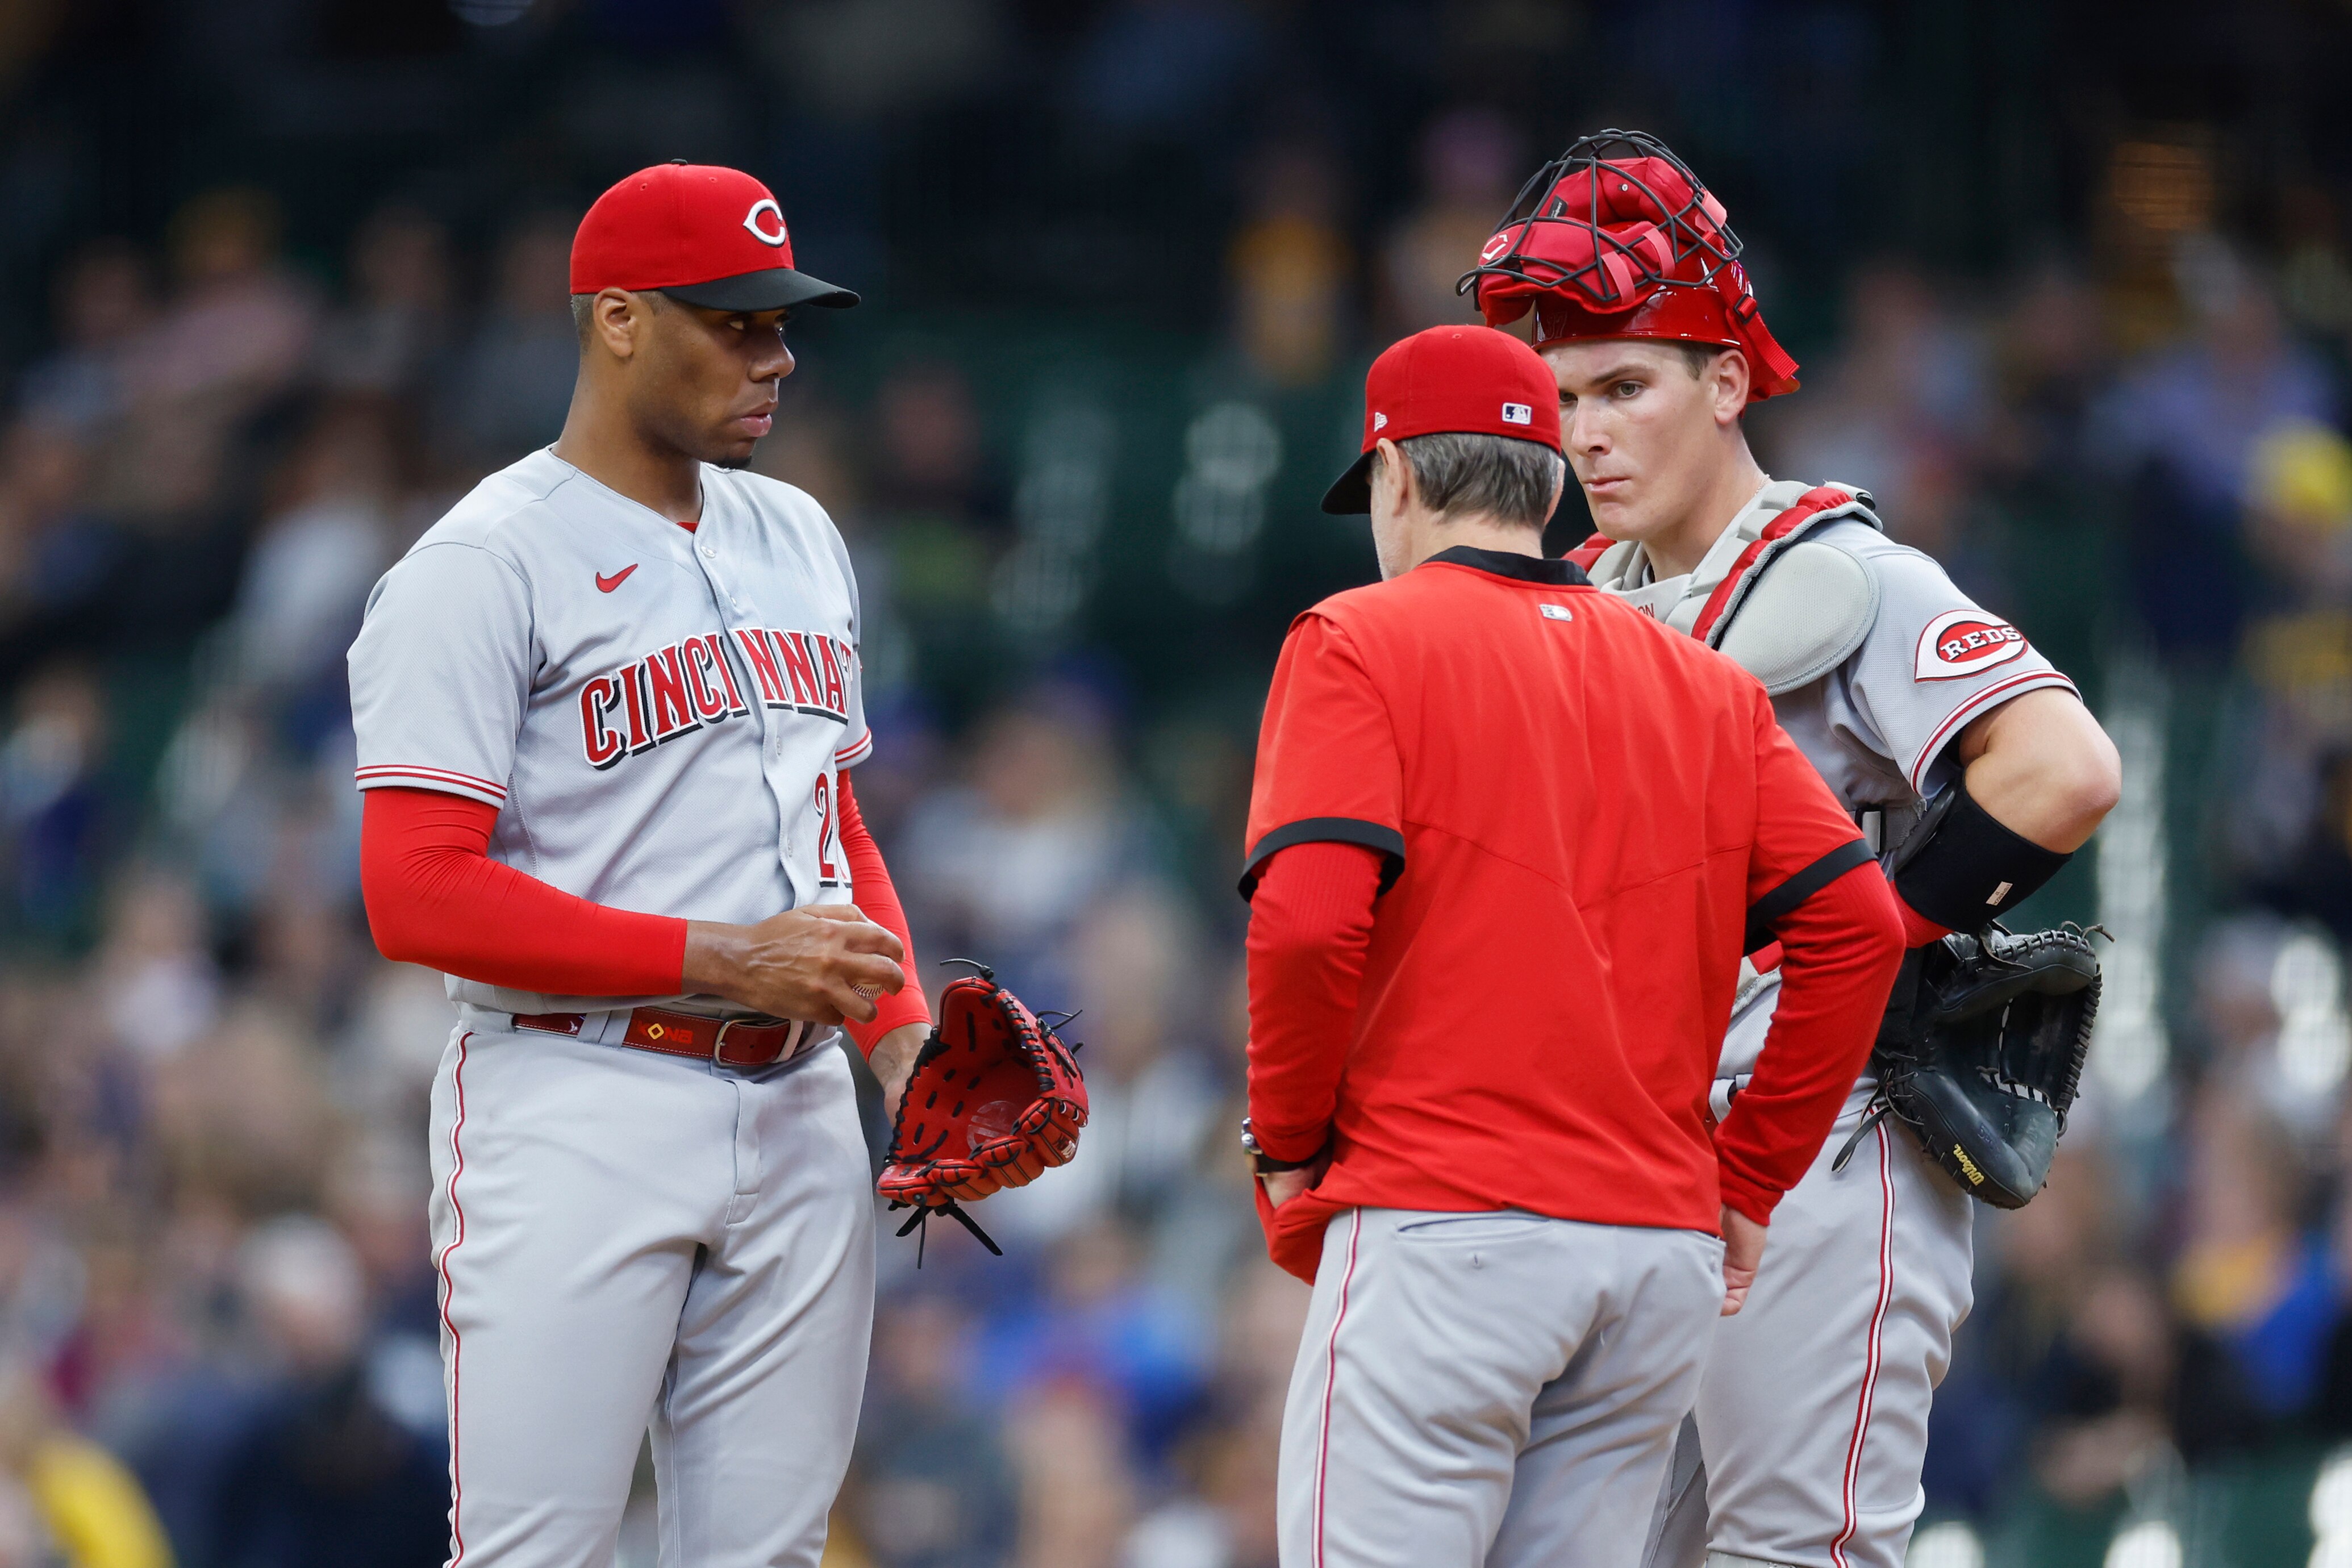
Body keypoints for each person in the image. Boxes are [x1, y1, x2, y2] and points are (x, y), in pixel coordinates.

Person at [1462, 131, 2124, 1568]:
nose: (1588, 433)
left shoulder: (1839, 571)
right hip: (1635, 1167)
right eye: (1564, 397)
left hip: (1820, 1144)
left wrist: (1877, 938)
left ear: (1726, 377)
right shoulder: (1580, 593)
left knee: (1797, 1554)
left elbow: (2066, 769)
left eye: (1627, 387)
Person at [1241, 323, 1909, 1567]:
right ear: (1550, 479)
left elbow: (1307, 922)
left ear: (1395, 479)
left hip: (1444, 1224)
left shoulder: (1358, 638)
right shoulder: (1703, 683)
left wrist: (1284, 1142)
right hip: (1653, 1260)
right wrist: (1749, 1177)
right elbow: (1860, 927)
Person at [346, 162, 937, 1567]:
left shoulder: (799, 531)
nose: (776, 354)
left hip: (797, 1106)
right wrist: (728, 957)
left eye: (782, 324)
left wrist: (907, 1042)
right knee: (538, 1554)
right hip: (575, 1097)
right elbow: (414, 889)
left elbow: (831, 823)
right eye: (733, 323)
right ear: (617, 319)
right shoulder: (482, 562)